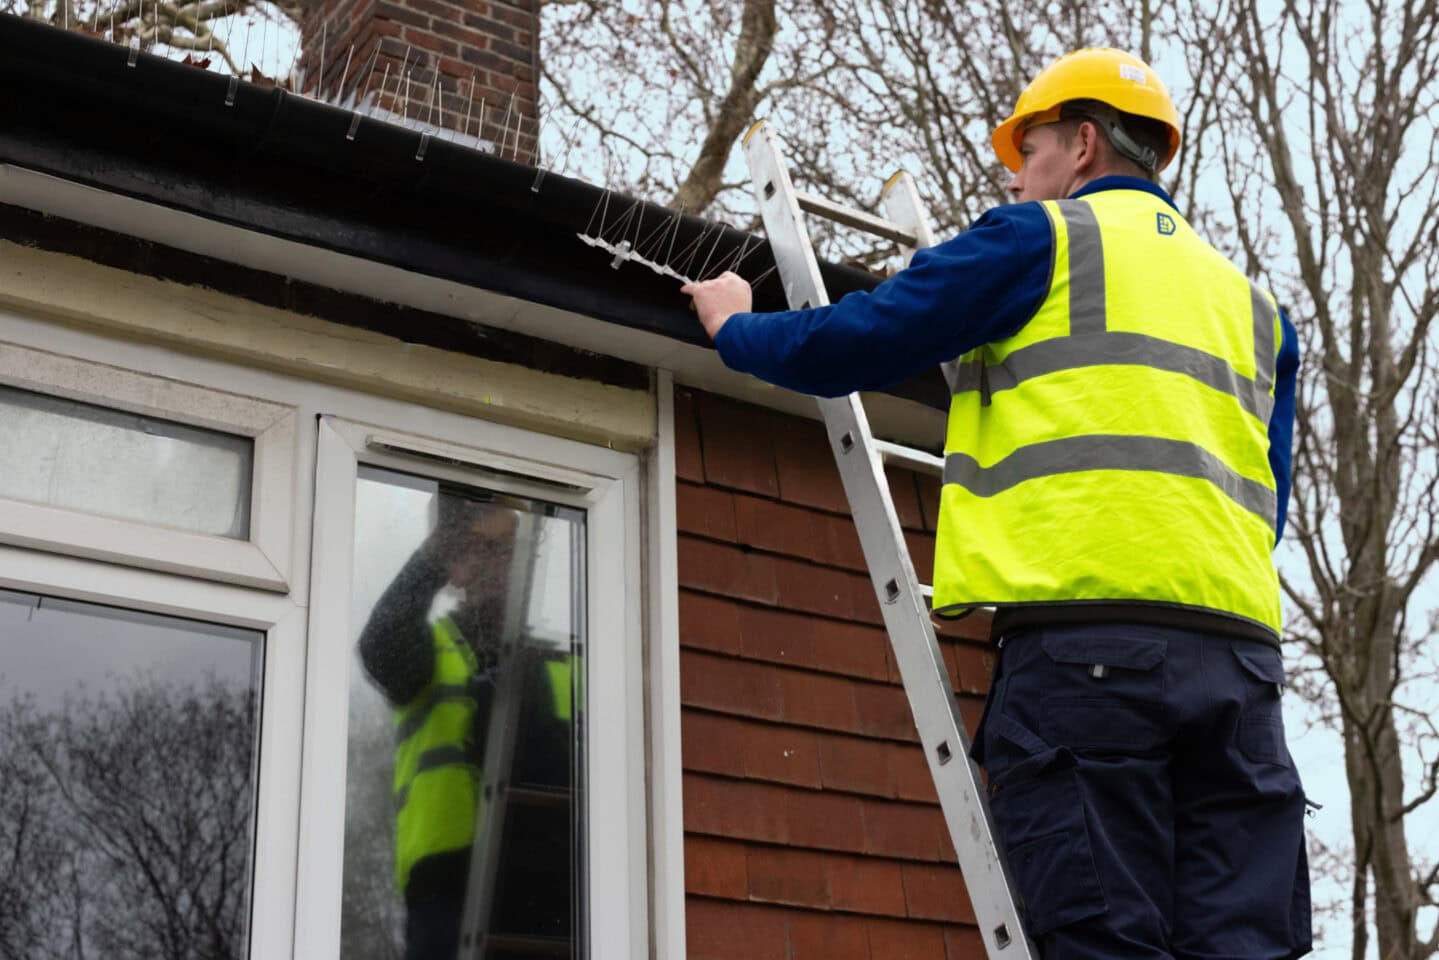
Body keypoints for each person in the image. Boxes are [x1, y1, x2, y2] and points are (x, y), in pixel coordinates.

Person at [683, 47, 1310, 960]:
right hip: (1242, 677)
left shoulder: (1040, 241)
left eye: (1027, 153)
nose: (1017, 178)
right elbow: (1270, 498)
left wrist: (736, 326)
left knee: (1105, 942)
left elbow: (859, 336)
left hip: (1090, 659)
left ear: (1083, 143)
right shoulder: (1255, 310)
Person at [358, 494, 573, 960]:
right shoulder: (433, 649)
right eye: (487, 548)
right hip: (448, 900)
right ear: (456, 566)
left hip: (552, 903)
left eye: (512, 548)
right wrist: (438, 549)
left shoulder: (564, 663)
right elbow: (381, 646)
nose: (503, 562)